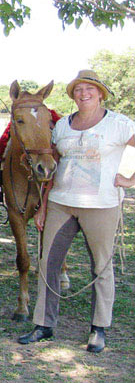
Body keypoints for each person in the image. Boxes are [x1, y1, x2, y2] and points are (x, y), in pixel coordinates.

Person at [18, 69, 135, 353]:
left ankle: (99, 328)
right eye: (79, 90)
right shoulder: (62, 127)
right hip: (61, 202)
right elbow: (53, 166)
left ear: (100, 94)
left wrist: (131, 180)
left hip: (101, 205)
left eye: (90, 90)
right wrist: (43, 206)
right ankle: (44, 324)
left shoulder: (118, 124)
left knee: (102, 266)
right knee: (48, 263)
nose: (84, 94)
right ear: (73, 95)